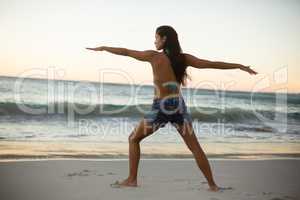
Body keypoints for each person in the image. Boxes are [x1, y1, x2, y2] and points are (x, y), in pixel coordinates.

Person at [86, 25, 257, 192]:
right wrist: (239, 66)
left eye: (156, 37)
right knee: (195, 147)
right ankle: (212, 185)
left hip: (161, 106)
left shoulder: (154, 57)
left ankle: (132, 180)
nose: (154, 42)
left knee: (133, 139)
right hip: (178, 106)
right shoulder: (184, 58)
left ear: (164, 39)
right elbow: (210, 64)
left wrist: (103, 48)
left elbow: (126, 52)